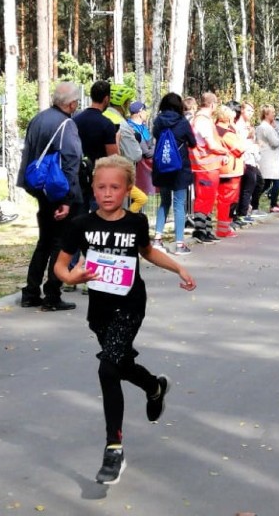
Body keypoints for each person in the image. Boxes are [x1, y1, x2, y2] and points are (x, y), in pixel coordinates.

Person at [53, 155, 196, 485]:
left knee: (107, 369)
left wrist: (179, 267)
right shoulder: (81, 224)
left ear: (128, 189)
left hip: (130, 305)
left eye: (114, 187)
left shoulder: (135, 223)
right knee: (118, 363)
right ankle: (154, 386)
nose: (107, 193)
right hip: (99, 310)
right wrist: (71, 278)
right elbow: (60, 266)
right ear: (92, 188)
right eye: (101, 187)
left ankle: (113, 449)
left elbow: (147, 251)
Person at [17, 81, 83, 311]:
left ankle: (30, 292)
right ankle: (52, 294)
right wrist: (66, 200)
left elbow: (29, 153)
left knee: (44, 241)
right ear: (72, 103)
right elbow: (71, 162)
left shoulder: (38, 119)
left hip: (39, 188)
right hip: (59, 191)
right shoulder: (67, 125)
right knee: (61, 244)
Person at [151, 92, 197, 255]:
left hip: (162, 167)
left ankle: (157, 239)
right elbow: (193, 143)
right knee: (179, 204)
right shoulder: (183, 122)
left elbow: (156, 137)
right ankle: (179, 244)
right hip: (179, 168)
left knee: (164, 202)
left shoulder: (158, 121)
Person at [74, 80, 119, 211]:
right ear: (106, 99)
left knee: (80, 217)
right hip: (99, 176)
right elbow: (113, 156)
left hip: (78, 174)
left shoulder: (75, 121)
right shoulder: (106, 124)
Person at [189, 92, 228, 242]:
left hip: (207, 165)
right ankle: (200, 230)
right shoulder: (202, 120)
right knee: (204, 198)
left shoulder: (202, 119)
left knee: (209, 199)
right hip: (205, 166)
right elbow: (210, 144)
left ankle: (206, 229)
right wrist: (225, 151)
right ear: (212, 104)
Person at [104, 85, 146, 213]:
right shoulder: (122, 124)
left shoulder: (101, 116)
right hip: (118, 174)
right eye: (128, 102)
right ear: (123, 103)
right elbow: (136, 155)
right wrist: (135, 139)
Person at [213, 105, 245, 238]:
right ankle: (223, 229)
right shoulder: (227, 132)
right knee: (227, 200)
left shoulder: (214, 129)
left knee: (222, 199)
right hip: (230, 169)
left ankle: (223, 226)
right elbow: (240, 148)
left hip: (221, 168)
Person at [255, 104, 279, 213]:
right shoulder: (265, 127)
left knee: (266, 183)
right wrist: (278, 137)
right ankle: (272, 203)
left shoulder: (266, 127)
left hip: (269, 158)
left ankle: (254, 203)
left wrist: (276, 129)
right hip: (269, 159)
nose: (274, 114)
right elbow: (276, 142)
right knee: (275, 182)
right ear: (266, 114)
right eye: (272, 112)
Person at [127, 101, 155, 200]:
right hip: (135, 169)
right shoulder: (131, 127)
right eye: (145, 111)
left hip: (143, 171)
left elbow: (150, 146)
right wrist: (159, 147)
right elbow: (146, 152)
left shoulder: (144, 128)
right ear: (139, 113)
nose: (146, 113)